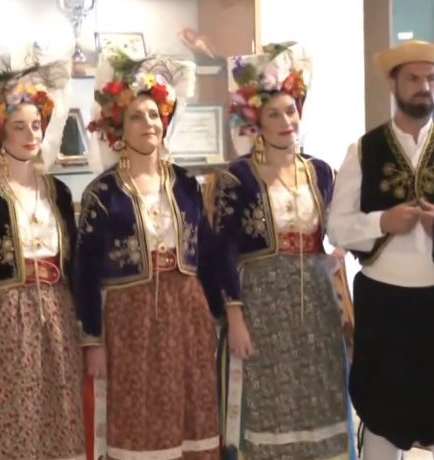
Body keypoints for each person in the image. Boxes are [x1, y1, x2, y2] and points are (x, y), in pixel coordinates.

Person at [75, 52, 222, 460]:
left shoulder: (186, 184)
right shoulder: (102, 192)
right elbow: (85, 271)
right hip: (130, 318)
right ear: (119, 127)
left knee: (190, 409)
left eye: (155, 115)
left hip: (185, 311)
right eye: (137, 117)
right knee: (139, 415)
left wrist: (221, 312)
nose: (149, 124)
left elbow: (208, 254)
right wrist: (93, 340)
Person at [215, 43, 353, 460]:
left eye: (291, 111)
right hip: (261, 304)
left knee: (319, 393)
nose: (285, 122)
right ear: (256, 120)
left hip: (315, 302)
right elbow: (223, 250)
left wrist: (343, 250)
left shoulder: (320, 171)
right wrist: (234, 318)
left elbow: (338, 229)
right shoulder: (238, 177)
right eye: (273, 114)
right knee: (268, 401)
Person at [0, 61, 85, 460]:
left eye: (36, 125)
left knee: (61, 411)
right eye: (19, 126)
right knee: (15, 415)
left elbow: (75, 263)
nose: (31, 135)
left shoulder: (58, 191)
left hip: (57, 310)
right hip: (6, 316)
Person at [328, 39, 434, 459]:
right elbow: (337, 228)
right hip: (384, 301)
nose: (424, 87)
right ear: (393, 84)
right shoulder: (363, 150)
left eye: (431, 79)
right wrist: (381, 223)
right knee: (383, 413)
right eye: (414, 78)